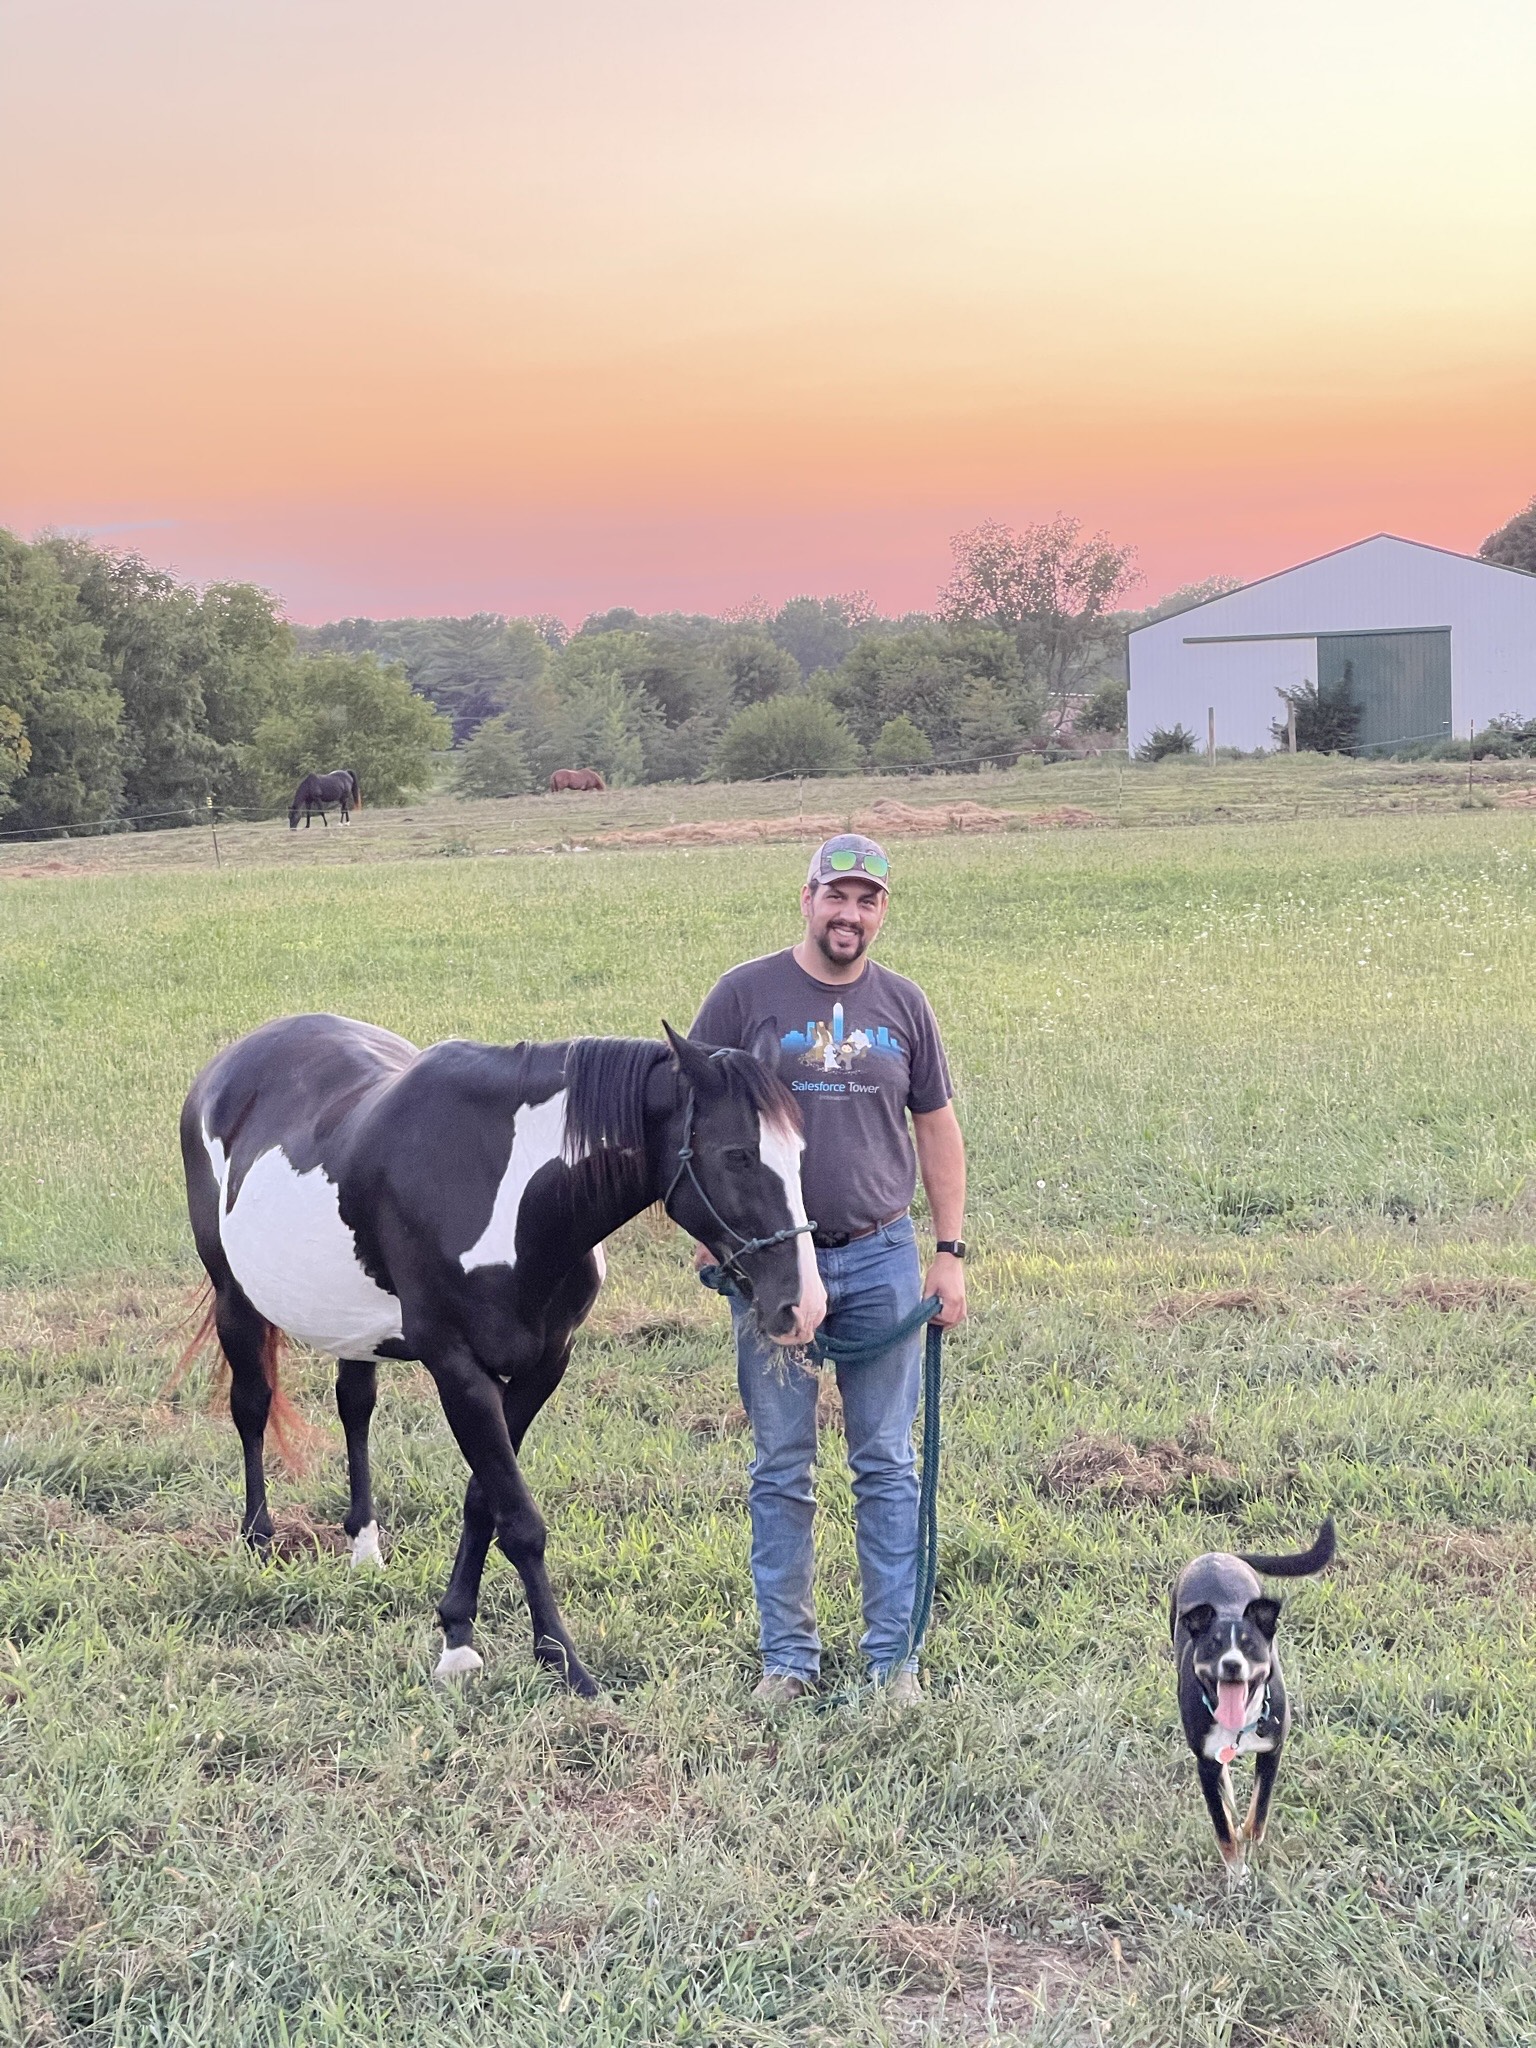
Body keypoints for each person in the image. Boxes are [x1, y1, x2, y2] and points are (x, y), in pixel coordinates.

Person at [690, 834, 967, 1707]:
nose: (850, 914)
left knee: (886, 1465)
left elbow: (936, 1129)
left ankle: (894, 1666)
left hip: (881, 1257)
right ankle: (789, 1662)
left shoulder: (904, 1006)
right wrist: (709, 1232)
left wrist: (948, 1252)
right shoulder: (744, 996)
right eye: (836, 895)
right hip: (772, 1266)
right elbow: (690, 1115)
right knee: (781, 1465)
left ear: (883, 910)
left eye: (868, 900)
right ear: (804, 898)